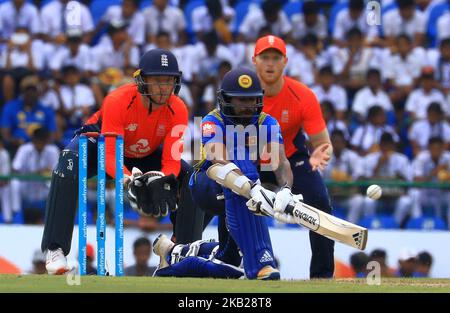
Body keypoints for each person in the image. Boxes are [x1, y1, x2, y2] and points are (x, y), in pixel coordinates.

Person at [41, 49, 205, 275]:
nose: (163, 88)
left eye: (168, 81)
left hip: (144, 152)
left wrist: (162, 178)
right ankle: (55, 249)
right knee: (68, 162)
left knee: (190, 177)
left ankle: (183, 252)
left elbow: (172, 160)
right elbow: (109, 155)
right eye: (157, 81)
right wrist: (128, 179)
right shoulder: (117, 100)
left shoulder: (178, 108)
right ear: (141, 80)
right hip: (99, 144)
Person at [189, 67, 296, 280]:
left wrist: (285, 190)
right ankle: (262, 263)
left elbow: (281, 161)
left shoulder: (267, 122)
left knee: (226, 264)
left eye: (251, 100)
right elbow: (218, 157)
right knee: (241, 163)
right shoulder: (212, 120)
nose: (248, 106)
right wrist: (252, 187)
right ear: (226, 99)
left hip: (242, 193)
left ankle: (177, 256)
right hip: (206, 186)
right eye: (241, 100)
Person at [252, 35, 334, 278]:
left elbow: (323, 143)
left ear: (285, 61)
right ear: (254, 60)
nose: (270, 63)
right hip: (250, 161)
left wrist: (319, 157)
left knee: (320, 202)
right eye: (264, 57)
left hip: (290, 159)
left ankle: (322, 277)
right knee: (228, 201)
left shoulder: (303, 95)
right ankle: (227, 265)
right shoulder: (241, 92)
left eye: (275, 58)